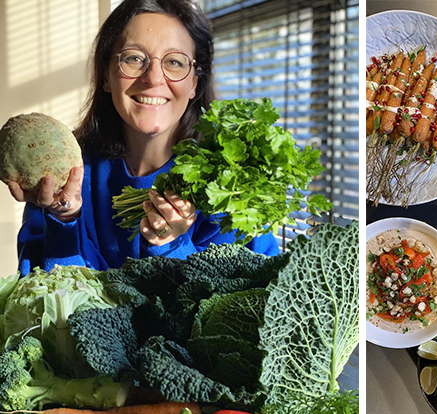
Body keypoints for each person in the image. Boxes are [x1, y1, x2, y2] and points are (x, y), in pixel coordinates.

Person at [9, 0, 279, 276]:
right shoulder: (64, 176)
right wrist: (63, 219)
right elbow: (47, 298)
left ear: (194, 83)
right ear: (106, 75)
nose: (153, 78)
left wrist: (172, 246)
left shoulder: (231, 187)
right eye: (134, 58)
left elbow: (240, 304)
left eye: (174, 62)